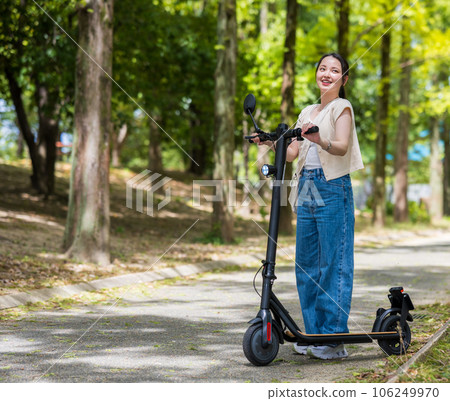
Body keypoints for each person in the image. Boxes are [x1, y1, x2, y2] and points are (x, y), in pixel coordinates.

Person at [254, 53, 364, 360]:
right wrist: (268, 142)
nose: (327, 74)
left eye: (335, 70)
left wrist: (318, 139)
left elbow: (341, 147)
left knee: (333, 262)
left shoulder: (342, 108)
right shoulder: (307, 111)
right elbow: (290, 154)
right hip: (307, 186)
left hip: (333, 186)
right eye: (322, 68)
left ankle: (332, 339)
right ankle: (313, 334)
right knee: (306, 264)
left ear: (343, 79)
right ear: (317, 73)